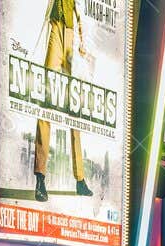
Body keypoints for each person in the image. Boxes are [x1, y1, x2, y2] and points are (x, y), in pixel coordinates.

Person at [32, 0, 93, 203]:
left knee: (74, 109)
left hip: (72, 33)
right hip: (56, 26)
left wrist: (83, 39)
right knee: (46, 102)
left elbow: (82, 11)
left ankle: (80, 179)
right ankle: (40, 178)